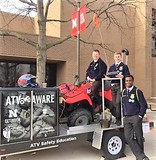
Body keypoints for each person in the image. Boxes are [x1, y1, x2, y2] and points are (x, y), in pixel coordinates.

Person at [122, 75, 149, 160]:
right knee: (128, 137)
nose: (128, 82)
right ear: (125, 82)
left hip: (135, 117)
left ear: (132, 81)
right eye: (126, 81)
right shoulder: (123, 92)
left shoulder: (137, 91)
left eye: (130, 80)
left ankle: (140, 157)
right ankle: (141, 156)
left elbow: (144, 105)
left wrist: (140, 116)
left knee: (139, 137)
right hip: (126, 118)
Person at [108, 51, 130, 125]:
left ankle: (119, 119)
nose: (117, 58)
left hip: (120, 86)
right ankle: (117, 116)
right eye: (116, 57)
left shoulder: (124, 66)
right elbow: (109, 75)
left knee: (118, 102)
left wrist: (123, 76)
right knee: (114, 103)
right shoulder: (111, 67)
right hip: (112, 86)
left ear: (121, 57)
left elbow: (128, 75)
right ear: (114, 58)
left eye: (118, 56)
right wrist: (107, 77)